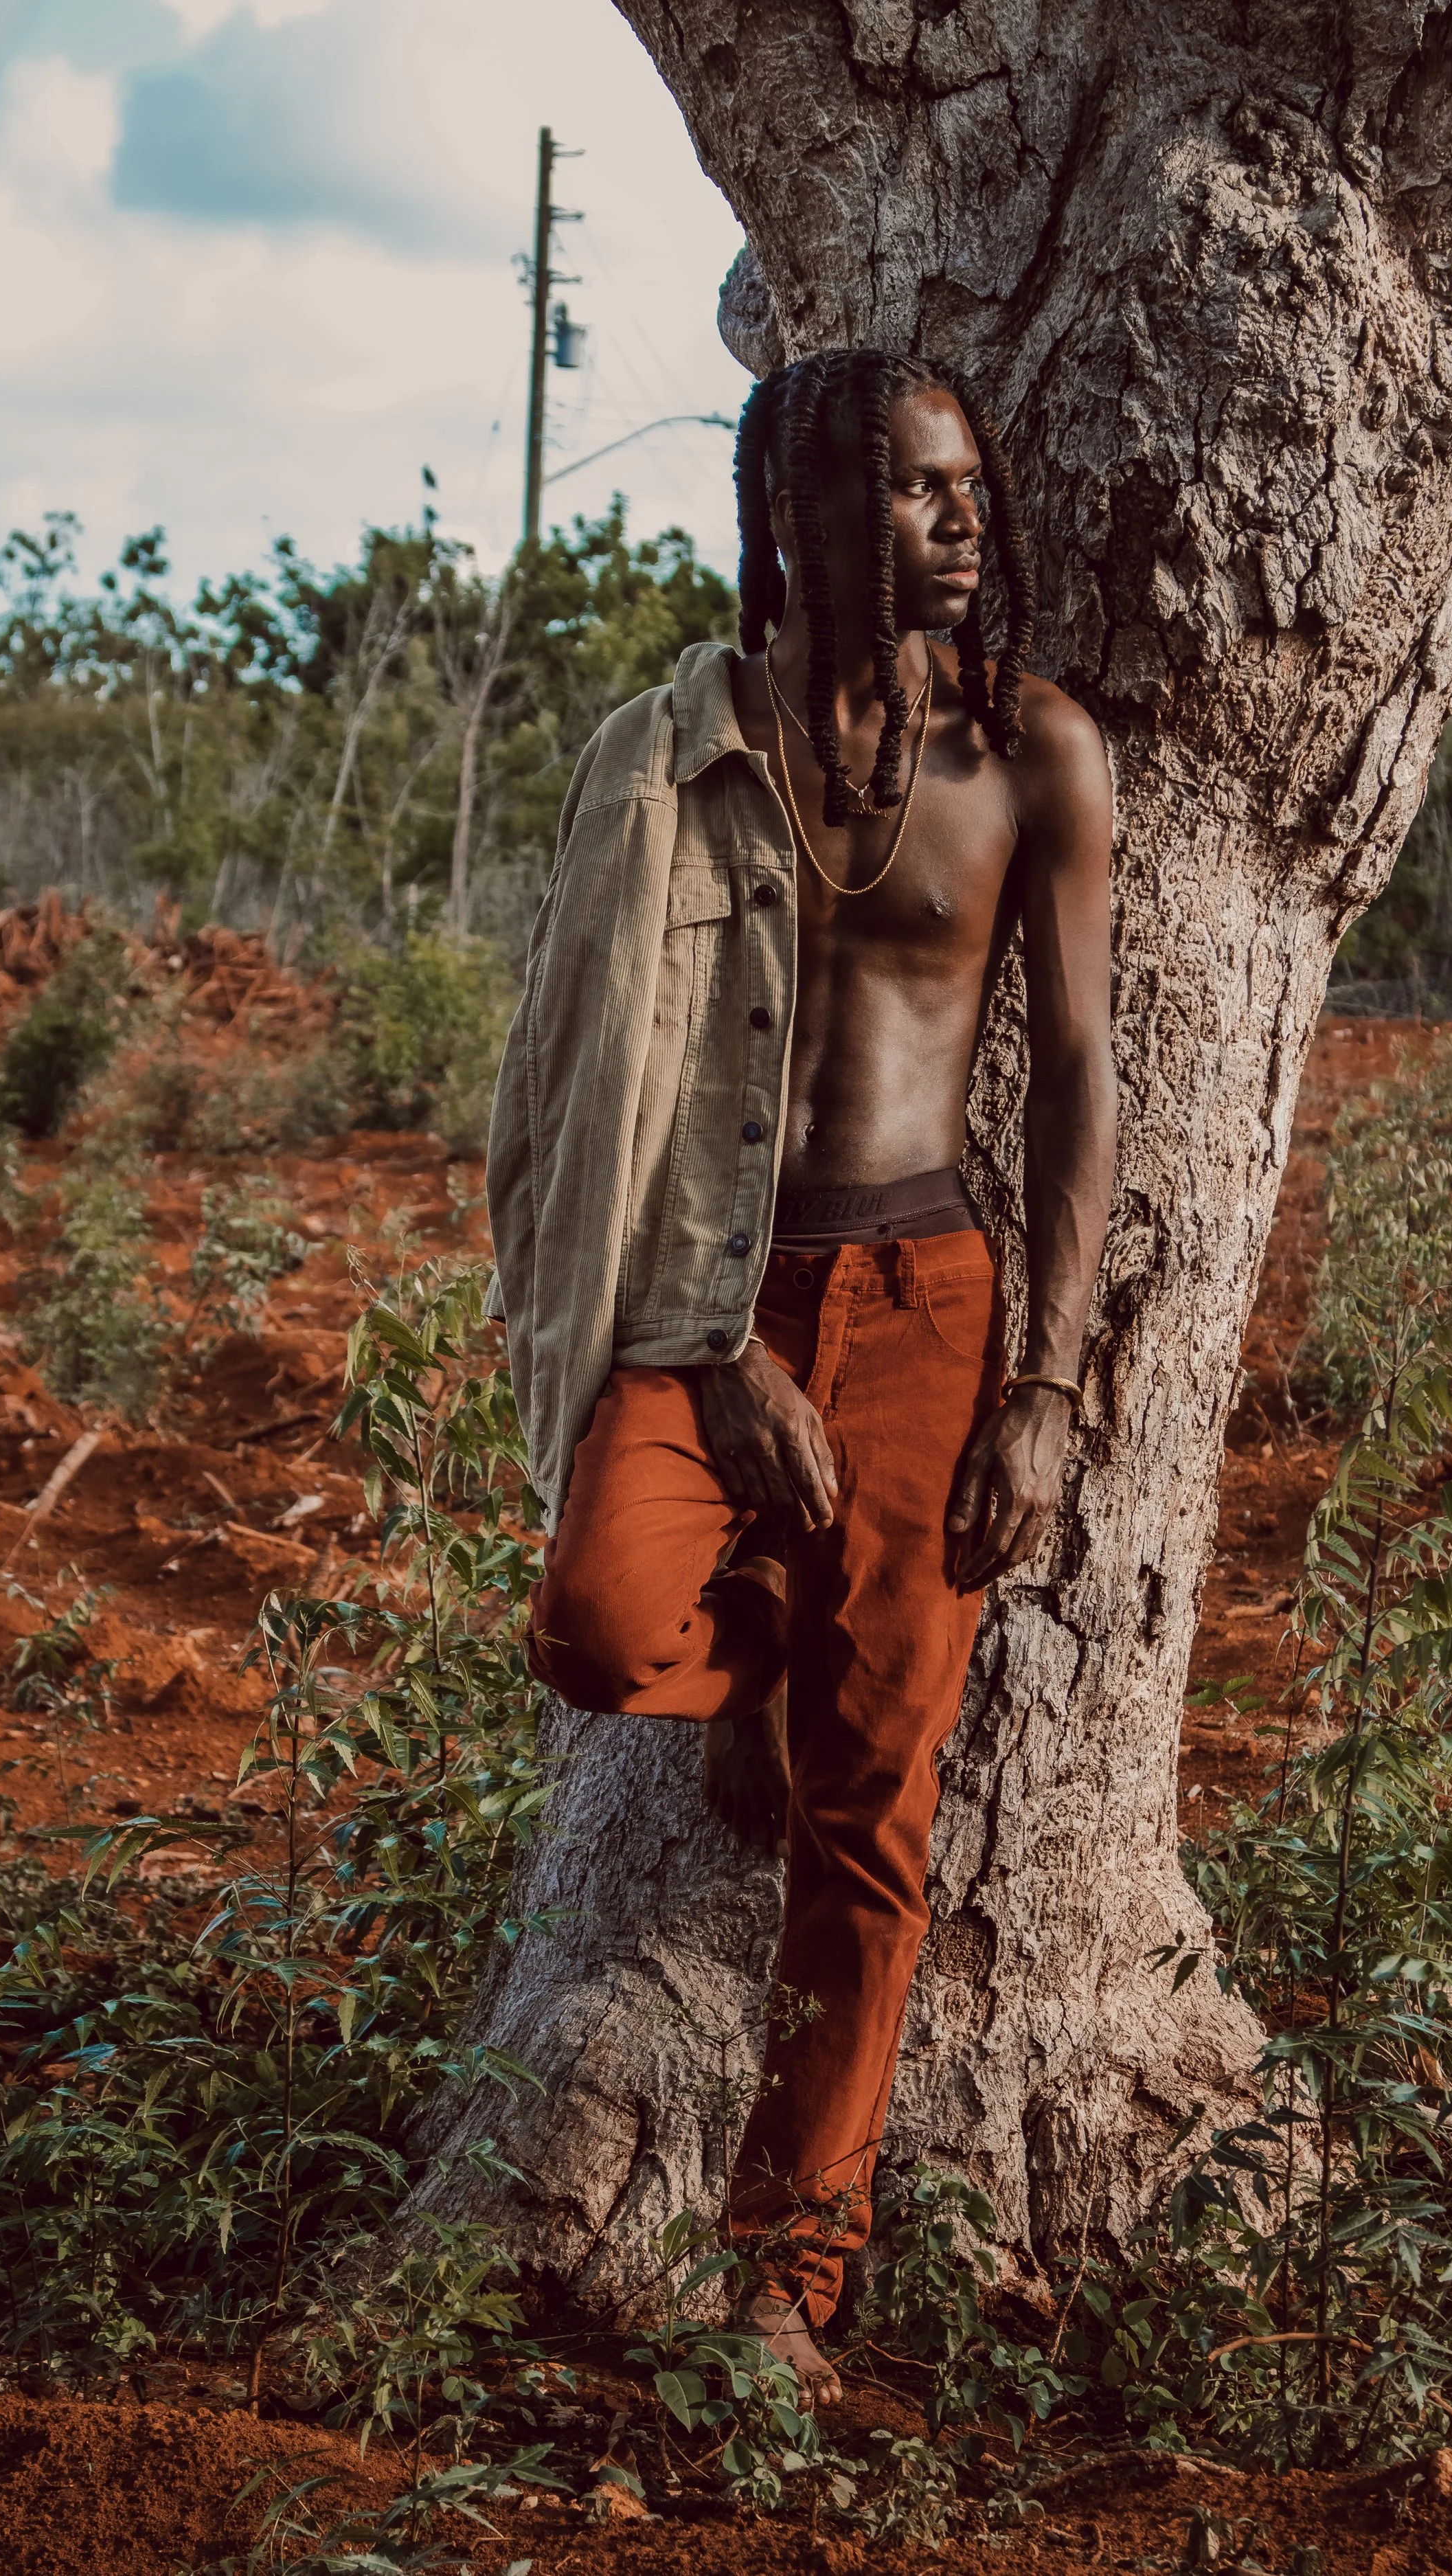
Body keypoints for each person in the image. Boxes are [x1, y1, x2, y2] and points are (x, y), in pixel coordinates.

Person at [485, 346, 1116, 2402]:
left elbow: (1081, 1080)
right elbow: (595, 1064)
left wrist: (1045, 1389)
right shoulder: (682, 753)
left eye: (969, 488)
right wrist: (703, 1342)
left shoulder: (1028, 754)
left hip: (928, 1293)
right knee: (598, 1630)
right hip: (711, 1295)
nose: (961, 523)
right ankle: (758, 1631)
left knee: (875, 1813)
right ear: (801, 516)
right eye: (919, 491)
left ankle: (790, 2277)